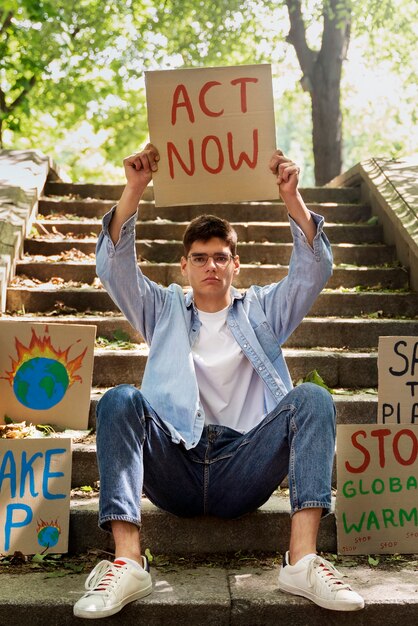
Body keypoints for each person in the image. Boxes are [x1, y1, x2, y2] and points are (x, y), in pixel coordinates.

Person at [73, 144, 365, 619]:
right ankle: (127, 562)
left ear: (236, 264)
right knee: (120, 399)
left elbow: (316, 269)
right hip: (176, 464)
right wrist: (134, 190)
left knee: (312, 397)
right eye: (200, 257)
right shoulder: (161, 309)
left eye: (221, 256)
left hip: (242, 466)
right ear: (184, 267)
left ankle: (303, 560)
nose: (211, 265)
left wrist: (291, 197)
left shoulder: (264, 311)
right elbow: (113, 268)